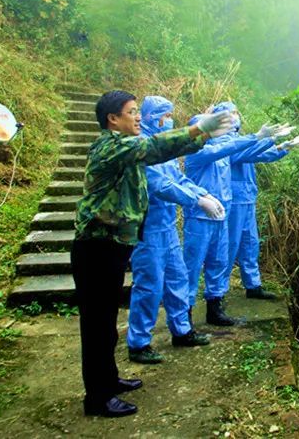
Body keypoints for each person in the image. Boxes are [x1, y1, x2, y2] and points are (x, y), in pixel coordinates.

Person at [72, 90, 232, 418]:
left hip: (113, 245)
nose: (137, 118)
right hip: (96, 247)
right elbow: (154, 146)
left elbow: (159, 156)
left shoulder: (126, 150)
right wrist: (196, 128)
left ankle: (109, 380)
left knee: (105, 323)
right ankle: (97, 398)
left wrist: (199, 133)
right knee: (97, 324)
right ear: (112, 119)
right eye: (131, 112)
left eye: (137, 111)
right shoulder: (110, 146)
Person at [126, 96, 220, 365]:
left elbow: (178, 179)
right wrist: (195, 201)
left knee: (177, 279)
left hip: (167, 226)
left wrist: (202, 194)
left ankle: (182, 330)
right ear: (154, 116)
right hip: (149, 227)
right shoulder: (143, 147)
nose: (170, 119)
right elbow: (159, 185)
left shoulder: (164, 149)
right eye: (166, 115)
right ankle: (139, 342)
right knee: (149, 286)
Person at [182, 115, 287, 326]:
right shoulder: (198, 151)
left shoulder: (225, 147)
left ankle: (215, 307)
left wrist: (281, 145)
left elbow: (240, 150)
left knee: (220, 259)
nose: (231, 124)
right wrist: (261, 137)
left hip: (223, 209)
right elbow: (229, 150)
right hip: (201, 215)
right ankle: (184, 317)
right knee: (193, 265)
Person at [212, 101, 289, 300]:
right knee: (230, 245)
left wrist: (283, 147)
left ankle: (253, 285)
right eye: (231, 113)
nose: (236, 116)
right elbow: (244, 154)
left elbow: (259, 155)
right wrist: (268, 139)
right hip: (234, 200)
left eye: (237, 112)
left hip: (247, 198)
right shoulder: (223, 141)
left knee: (250, 243)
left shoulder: (240, 139)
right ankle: (218, 292)